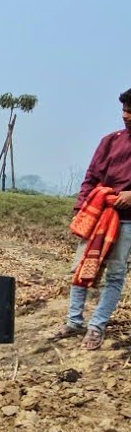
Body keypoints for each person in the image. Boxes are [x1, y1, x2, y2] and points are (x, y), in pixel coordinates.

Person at [54, 88, 131, 349]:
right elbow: (91, 177)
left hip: (127, 220)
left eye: (130, 111)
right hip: (98, 215)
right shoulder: (110, 141)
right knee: (80, 268)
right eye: (123, 110)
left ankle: (97, 325)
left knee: (115, 274)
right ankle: (74, 321)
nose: (125, 115)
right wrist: (81, 210)